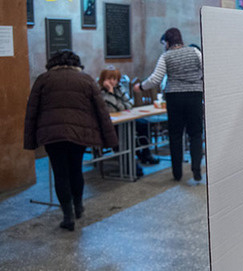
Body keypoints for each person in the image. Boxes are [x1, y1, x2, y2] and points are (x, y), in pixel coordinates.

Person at [24, 50, 118, 231]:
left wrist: (30, 139)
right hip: (79, 134)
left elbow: (32, 111)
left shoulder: (43, 80)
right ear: (77, 63)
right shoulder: (86, 79)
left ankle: (67, 215)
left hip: (52, 134)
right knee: (76, 169)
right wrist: (110, 139)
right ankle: (79, 206)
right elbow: (101, 111)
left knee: (60, 173)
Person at [134, 27, 203, 181]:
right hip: (194, 96)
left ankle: (177, 173)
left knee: (176, 136)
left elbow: (156, 79)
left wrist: (141, 87)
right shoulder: (195, 52)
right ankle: (196, 169)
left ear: (167, 41)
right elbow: (205, 69)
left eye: (164, 42)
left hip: (175, 98)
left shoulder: (166, 56)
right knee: (196, 134)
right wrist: (196, 80)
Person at [98, 68, 160, 171]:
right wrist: (111, 92)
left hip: (126, 118)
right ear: (103, 79)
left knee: (144, 124)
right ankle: (129, 162)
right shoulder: (101, 92)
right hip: (112, 123)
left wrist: (121, 104)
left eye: (115, 79)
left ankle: (145, 153)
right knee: (125, 133)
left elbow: (130, 104)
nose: (113, 82)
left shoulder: (120, 88)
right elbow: (113, 109)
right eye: (110, 79)